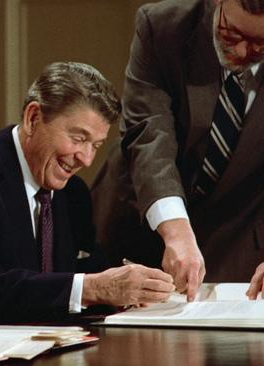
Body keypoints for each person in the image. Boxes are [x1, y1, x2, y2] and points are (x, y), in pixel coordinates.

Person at [0, 62, 175, 323]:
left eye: (96, 145)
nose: (86, 159)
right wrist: (93, 288)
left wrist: (133, 290)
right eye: (79, 138)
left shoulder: (74, 194)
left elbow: (90, 275)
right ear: (33, 118)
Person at [91, 0, 264, 302]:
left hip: (236, 238)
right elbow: (149, 133)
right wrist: (174, 229)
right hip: (136, 223)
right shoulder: (163, 28)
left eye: (260, 44)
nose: (240, 53)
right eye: (231, 34)